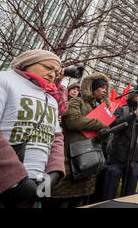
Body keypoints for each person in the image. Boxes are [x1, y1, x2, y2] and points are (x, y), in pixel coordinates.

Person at [0, 50, 65, 208]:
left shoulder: (51, 99)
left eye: (56, 71)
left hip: (38, 184)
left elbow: (56, 138)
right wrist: (14, 181)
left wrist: (54, 172)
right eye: (48, 67)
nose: (52, 74)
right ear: (27, 63)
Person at [45, 73, 110, 208]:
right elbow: (72, 121)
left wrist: (105, 133)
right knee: (62, 200)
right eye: (101, 87)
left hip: (90, 161)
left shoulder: (103, 109)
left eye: (106, 88)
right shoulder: (77, 101)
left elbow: (102, 136)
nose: (105, 91)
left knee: (80, 201)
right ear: (92, 88)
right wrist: (99, 124)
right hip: (71, 158)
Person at [102, 92, 138, 199]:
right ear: (132, 97)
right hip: (117, 157)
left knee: (129, 194)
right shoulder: (122, 109)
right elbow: (113, 124)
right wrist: (133, 115)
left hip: (134, 158)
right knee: (110, 191)